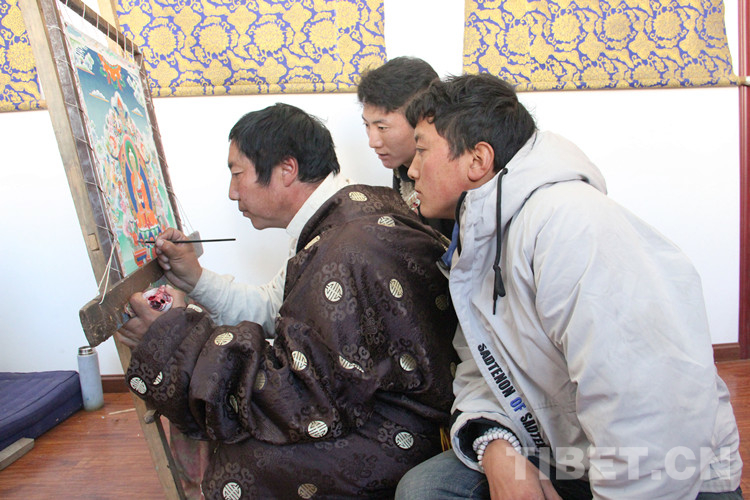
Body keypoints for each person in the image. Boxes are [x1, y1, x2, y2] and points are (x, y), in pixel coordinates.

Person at [394, 73, 743, 499]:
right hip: (566, 454)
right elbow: (482, 367)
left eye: (422, 150)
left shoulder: (570, 225)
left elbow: (649, 409)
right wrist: (499, 451)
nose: (412, 169)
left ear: (478, 160)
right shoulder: (481, 236)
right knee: (427, 489)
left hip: (667, 474)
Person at [117, 103, 458, 499]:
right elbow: (273, 305)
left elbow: (304, 393)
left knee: (245, 455)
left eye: (237, 174)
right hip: (400, 404)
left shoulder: (344, 248)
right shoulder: (346, 214)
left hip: (407, 428)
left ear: (286, 169)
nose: (231, 192)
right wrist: (193, 278)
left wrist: (175, 338)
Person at [358, 56, 454, 238]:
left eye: (382, 127)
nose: (373, 142)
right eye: (367, 125)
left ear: (422, 117)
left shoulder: (448, 170)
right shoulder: (401, 162)